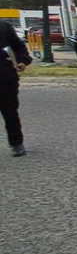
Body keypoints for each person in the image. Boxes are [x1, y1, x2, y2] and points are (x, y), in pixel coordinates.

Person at [1, 20, 32, 157]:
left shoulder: (3, 27)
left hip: (4, 76)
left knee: (10, 112)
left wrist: (22, 61)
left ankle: (16, 143)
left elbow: (18, 46)